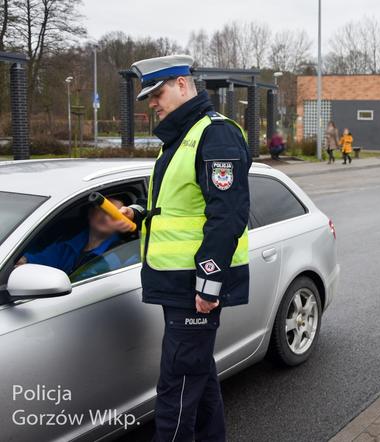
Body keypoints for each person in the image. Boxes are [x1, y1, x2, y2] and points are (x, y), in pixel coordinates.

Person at [113, 54, 250, 442]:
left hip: (194, 286)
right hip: (176, 283)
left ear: (182, 85)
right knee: (197, 377)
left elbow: (228, 215)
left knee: (176, 388)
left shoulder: (214, 133)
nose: (152, 102)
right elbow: (181, 205)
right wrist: (139, 212)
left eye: (157, 93)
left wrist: (209, 285)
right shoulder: (181, 137)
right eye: (149, 96)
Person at [15, 197, 125, 274]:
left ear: (122, 221)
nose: (105, 217)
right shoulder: (69, 243)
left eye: (113, 214)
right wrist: (21, 260)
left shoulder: (119, 254)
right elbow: (39, 260)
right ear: (90, 213)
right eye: (101, 210)